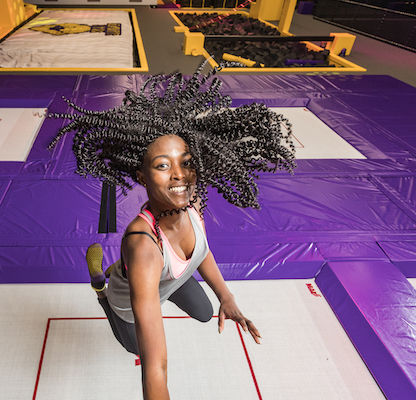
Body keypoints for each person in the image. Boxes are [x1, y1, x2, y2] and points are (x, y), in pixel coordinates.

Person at [49, 63, 295, 399]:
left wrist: (226, 296)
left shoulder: (194, 204)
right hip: (134, 289)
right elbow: (156, 365)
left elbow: (202, 250)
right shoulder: (144, 247)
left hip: (169, 276)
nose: (179, 174)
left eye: (187, 162)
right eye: (163, 165)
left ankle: (123, 272)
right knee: (135, 347)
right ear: (141, 176)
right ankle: (101, 286)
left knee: (205, 314)